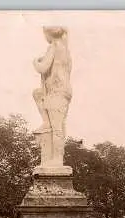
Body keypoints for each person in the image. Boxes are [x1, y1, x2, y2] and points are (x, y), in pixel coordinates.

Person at [33, 26, 72, 165]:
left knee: (57, 128)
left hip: (56, 91)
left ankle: (56, 160)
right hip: (62, 92)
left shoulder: (54, 47)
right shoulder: (65, 50)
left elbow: (42, 68)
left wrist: (36, 61)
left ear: (49, 34)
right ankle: (46, 121)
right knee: (37, 94)